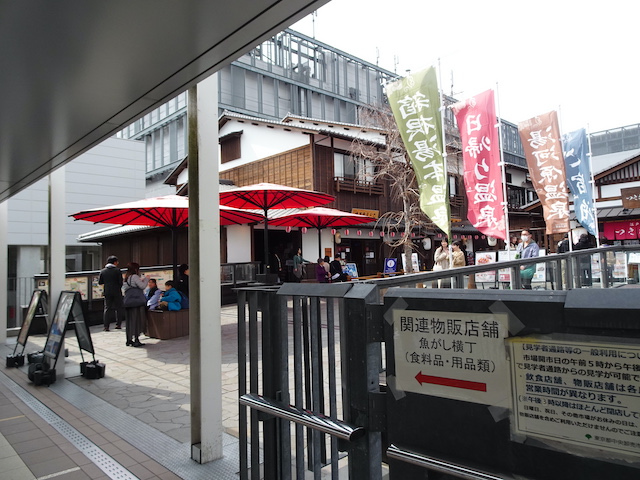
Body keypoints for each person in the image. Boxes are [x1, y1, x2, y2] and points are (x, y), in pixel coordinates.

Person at [123, 262, 149, 347]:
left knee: (129, 321)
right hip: (137, 302)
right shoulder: (134, 276)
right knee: (137, 320)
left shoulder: (126, 277)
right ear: (135, 269)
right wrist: (146, 279)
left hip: (128, 301)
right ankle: (136, 339)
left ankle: (129, 339)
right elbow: (142, 286)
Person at [98, 255, 125, 331]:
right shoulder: (117, 270)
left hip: (107, 291)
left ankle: (106, 326)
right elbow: (120, 282)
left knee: (107, 308)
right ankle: (118, 324)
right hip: (116, 291)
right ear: (115, 262)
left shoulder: (103, 271)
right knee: (118, 308)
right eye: (117, 262)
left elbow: (100, 282)